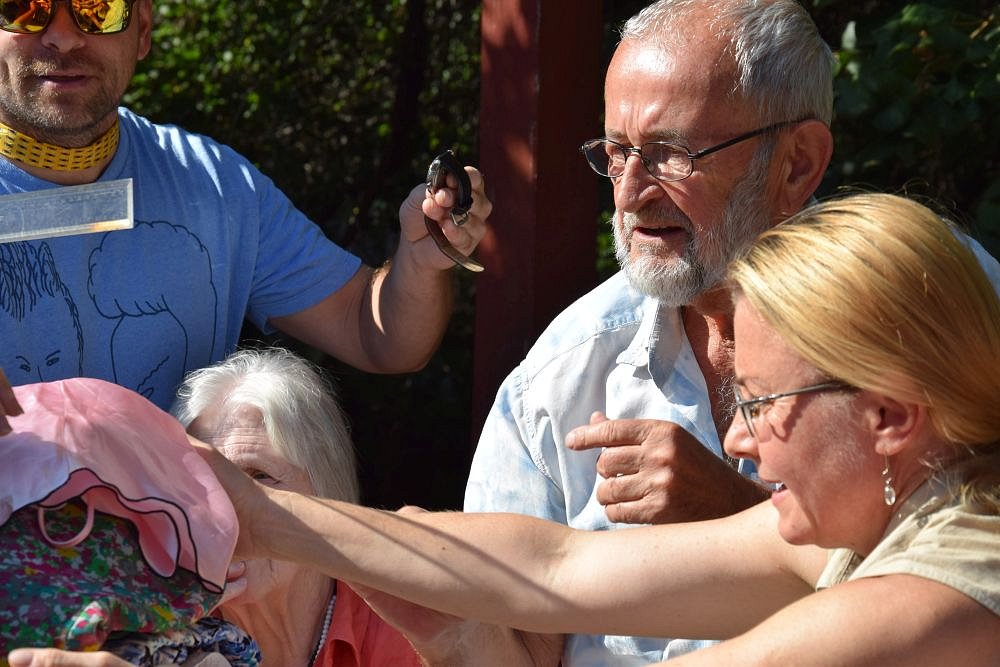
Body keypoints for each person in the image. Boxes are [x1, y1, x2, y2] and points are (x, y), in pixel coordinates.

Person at [173, 193, 1000, 666]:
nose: (739, 442)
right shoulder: (905, 513)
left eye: (758, 402)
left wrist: (460, 641)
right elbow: (560, 563)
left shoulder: (933, 606)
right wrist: (263, 514)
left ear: (890, 416)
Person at [464, 1, 1000, 662]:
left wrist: (740, 510)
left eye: (670, 154)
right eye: (617, 152)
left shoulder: (926, 293)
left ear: (797, 163)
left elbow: (972, 568)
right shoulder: (561, 374)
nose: (630, 192)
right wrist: (421, 601)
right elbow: (512, 638)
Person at [0, 0, 489, 411]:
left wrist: (421, 262)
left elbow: (376, 332)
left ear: (142, 29)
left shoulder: (214, 185)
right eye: (23, 7)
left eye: (98, 8)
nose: (63, 37)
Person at [5, 347, 428, 666]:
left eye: (260, 477)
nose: (227, 509)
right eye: (204, 482)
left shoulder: (409, 625)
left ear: (327, 495)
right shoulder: (145, 629)